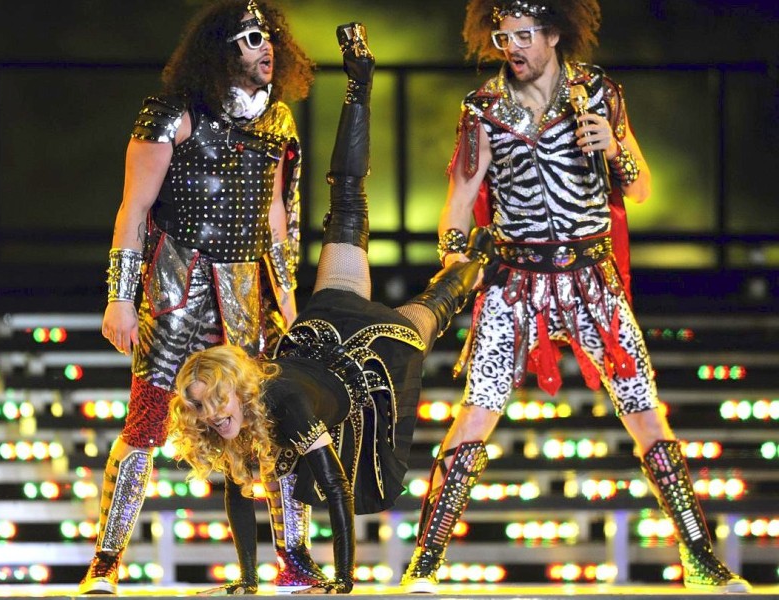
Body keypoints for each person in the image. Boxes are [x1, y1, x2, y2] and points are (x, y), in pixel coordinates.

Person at [400, 0, 750, 594]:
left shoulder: (600, 94)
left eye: (525, 35)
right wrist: (454, 263)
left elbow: (638, 190)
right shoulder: (482, 110)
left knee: (645, 409)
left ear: (555, 34)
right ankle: (424, 564)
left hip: (592, 279)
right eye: (504, 36)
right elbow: (460, 198)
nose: (513, 47)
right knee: (475, 413)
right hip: (516, 280)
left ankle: (699, 557)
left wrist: (615, 148)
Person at [168, 22, 493, 595]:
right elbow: (239, 496)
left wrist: (344, 584)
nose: (213, 415)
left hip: (362, 351)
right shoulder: (226, 422)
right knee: (427, 300)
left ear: (238, 389)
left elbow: (338, 492)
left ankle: (360, 88)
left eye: (216, 401)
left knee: (354, 210)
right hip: (327, 350)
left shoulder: (281, 402)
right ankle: (470, 267)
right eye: (202, 407)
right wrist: (245, 582)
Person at [79, 0, 320, 594]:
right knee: (147, 421)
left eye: (270, 39)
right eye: (251, 38)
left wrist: (288, 293)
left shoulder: (279, 122)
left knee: (270, 425)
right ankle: (106, 562)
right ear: (222, 48)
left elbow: (278, 215)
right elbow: (134, 208)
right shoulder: (171, 113)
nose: (266, 49)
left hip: (247, 290)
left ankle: (296, 558)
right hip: (176, 285)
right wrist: (120, 297)